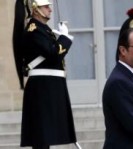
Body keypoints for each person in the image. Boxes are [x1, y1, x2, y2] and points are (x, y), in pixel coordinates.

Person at [12, 0, 78, 148]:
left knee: (46, 137)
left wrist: (60, 36)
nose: (50, 9)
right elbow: (54, 54)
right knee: (42, 138)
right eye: (46, 6)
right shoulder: (33, 29)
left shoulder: (43, 29)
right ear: (35, 9)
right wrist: (65, 37)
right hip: (42, 88)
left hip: (49, 85)